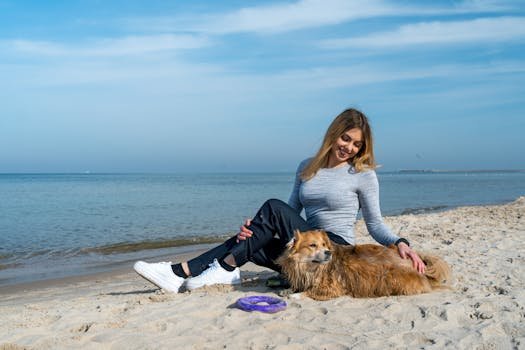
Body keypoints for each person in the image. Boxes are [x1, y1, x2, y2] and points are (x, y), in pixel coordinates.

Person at [133, 108, 426, 293]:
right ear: (334, 134)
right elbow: (292, 210)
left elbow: (375, 224)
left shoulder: (362, 175)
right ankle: (204, 271)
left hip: (333, 251)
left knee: (271, 208)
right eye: (345, 139)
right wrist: (257, 226)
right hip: (304, 250)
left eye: (356, 144)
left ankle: (188, 271)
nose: (348, 147)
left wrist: (401, 242)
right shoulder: (307, 166)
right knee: (249, 236)